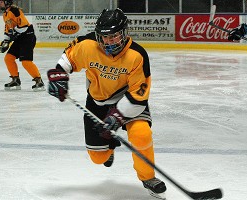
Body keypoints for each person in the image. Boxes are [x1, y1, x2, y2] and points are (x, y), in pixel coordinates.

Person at [47, 8, 167, 198]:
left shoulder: (137, 55)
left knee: (141, 134)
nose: (109, 42)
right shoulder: (88, 45)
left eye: (114, 37)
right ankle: (108, 147)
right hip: (97, 103)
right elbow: (68, 58)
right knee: (98, 158)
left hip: (127, 101)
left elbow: (139, 94)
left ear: (124, 33)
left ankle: (148, 178)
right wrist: (59, 76)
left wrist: (118, 116)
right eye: (105, 37)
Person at [0, 0, 45, 91]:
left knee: (26, 62)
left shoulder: (15, 11)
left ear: (7, 2)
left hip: (27, 36)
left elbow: (23, 27)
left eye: (1, 2)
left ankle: (39, 81)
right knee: (8, 58)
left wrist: (13, 33)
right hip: (19, 38)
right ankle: (15, 80)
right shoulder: (5, 15)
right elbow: (8, 30)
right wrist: (6, 41)